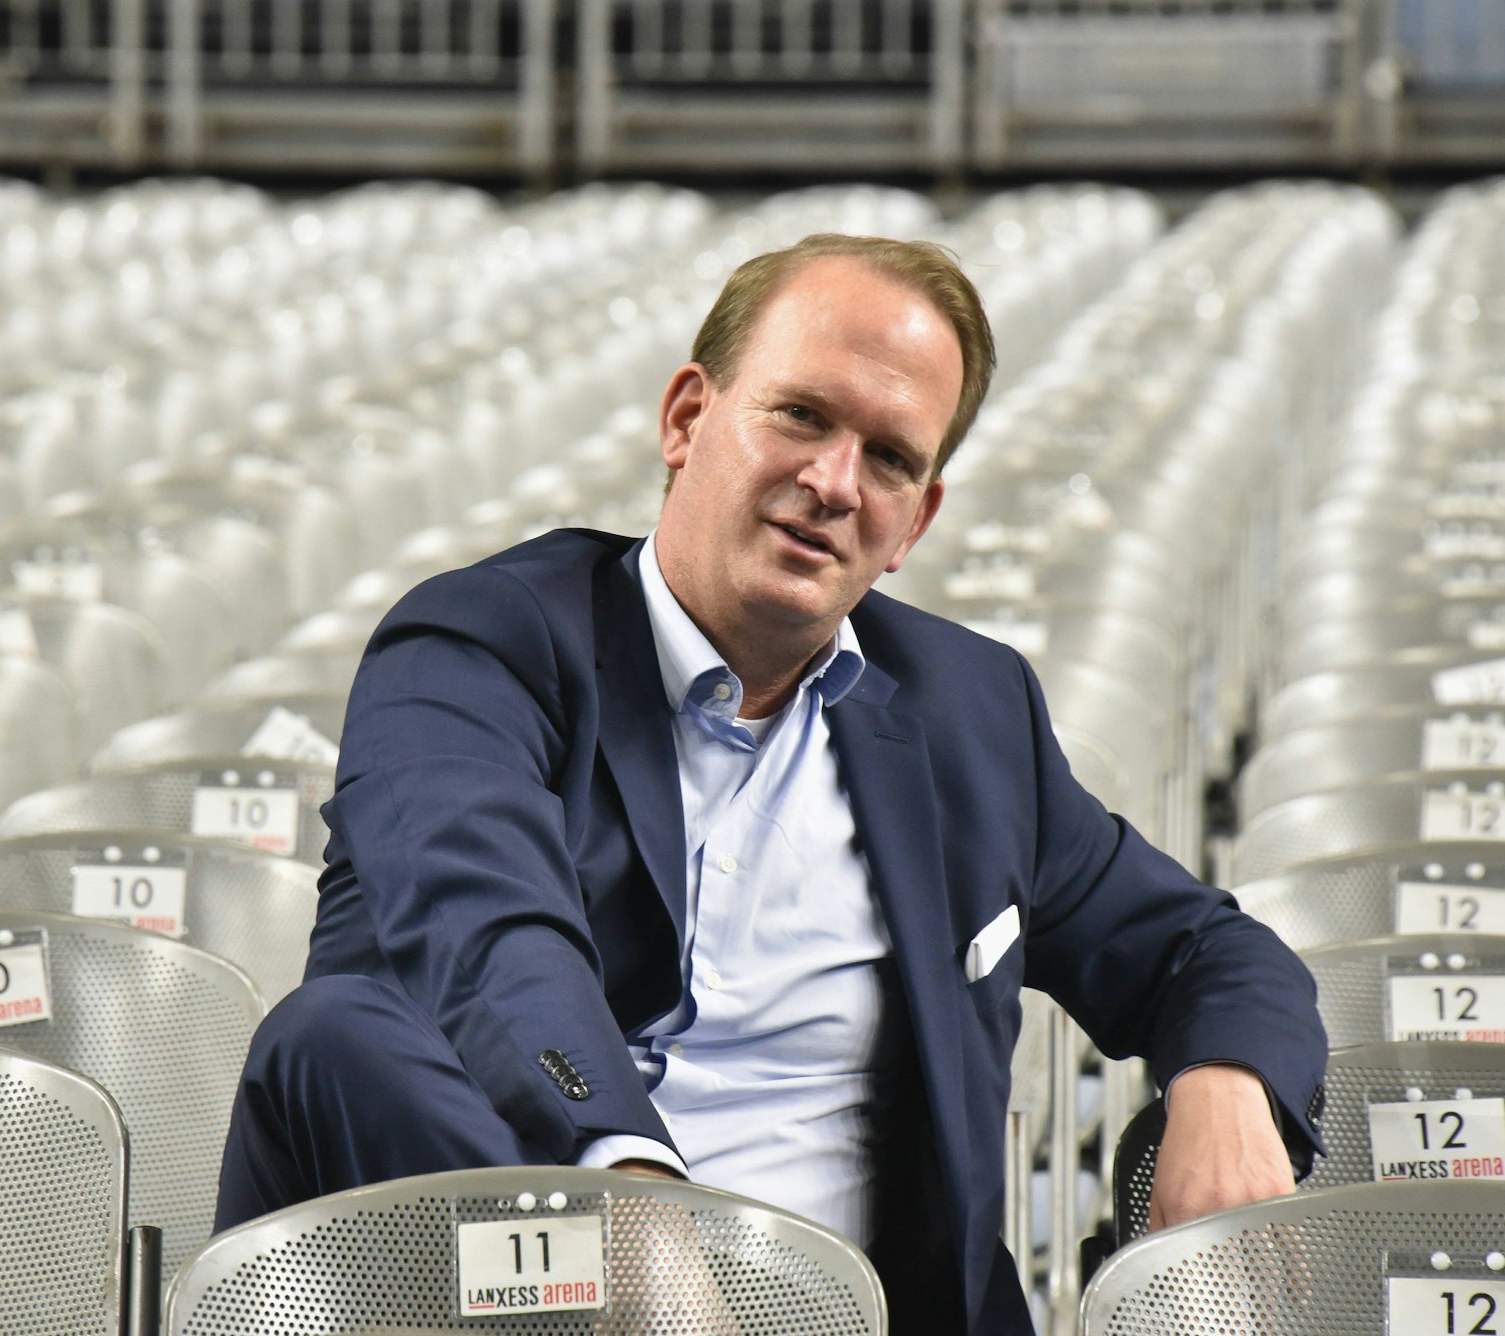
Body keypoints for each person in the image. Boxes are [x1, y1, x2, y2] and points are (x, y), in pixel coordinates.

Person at [215, 233, 1327, 1333]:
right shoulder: (477, 648)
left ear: (915, 523)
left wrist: (1222, 1078)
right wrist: (629, 1209)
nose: (833, 482)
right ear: (686, 419)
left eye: (889, 457)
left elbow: (1207, 951)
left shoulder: (967, 715)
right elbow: (490, 936)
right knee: (332, 1033)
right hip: (529, 1296)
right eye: (801, 414)